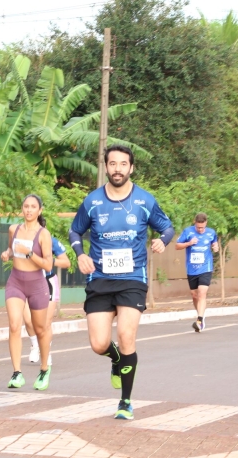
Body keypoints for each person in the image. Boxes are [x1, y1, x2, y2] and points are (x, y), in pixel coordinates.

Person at [69, 145, 174, 420]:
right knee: (98, 344)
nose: (118, 169)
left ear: (131, 168)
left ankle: (125, 401)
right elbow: (75, 231)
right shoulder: (92, 201)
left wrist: (162, 241)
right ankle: (115, 358)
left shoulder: (144, 201)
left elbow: (167, 227)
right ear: (106, 167)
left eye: (123, 164)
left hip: (132, 278)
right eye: (113, 163)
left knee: (126, 336)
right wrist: (80, 254)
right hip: (100, 279)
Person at [0, 195, 54, 390]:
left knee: (40, 329)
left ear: (40, 210)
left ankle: (44, 368)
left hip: (37, 284)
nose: (29, 210)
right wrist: (7, 254)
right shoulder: (13, 229)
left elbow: (48, 265)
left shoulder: (43, 234)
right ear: (22, 209)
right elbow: (11, 249)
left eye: (33, 207)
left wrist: (29, 253)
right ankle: (17, 373)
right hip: (15, 282)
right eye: (26, 206)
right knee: (15, 325)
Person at [27, 234, 71, 366]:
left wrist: (50, 261)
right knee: (29, 321)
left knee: (46, 322)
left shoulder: (51, 241)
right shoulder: (23, 238)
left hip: (47, 281)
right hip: (28, 281)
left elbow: (66, 262)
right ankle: (35, 345)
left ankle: (46, 351)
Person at [176, 213, 219, 332]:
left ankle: (199, 321)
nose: (200, 230)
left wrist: (215, 247)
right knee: (194, 295)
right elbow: (177, 246)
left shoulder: (211, 232)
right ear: (195, 223)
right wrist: (189, 243)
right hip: (192, 268)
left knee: (202, 293)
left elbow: (214, 243)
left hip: (206, 267)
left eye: (202, 227)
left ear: (206, 223)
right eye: (198, 227)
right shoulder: (188, 231)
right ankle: (201, 316)